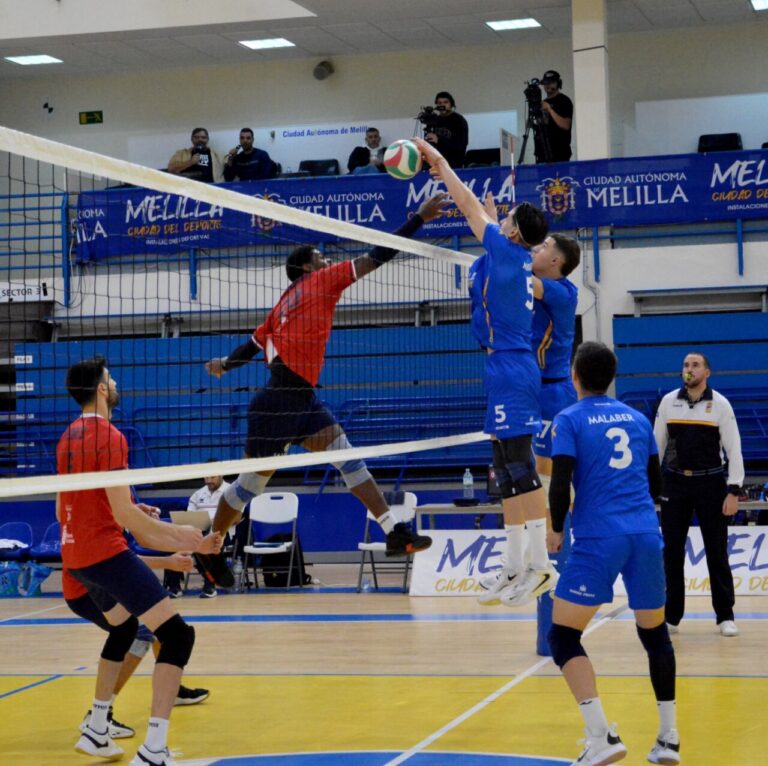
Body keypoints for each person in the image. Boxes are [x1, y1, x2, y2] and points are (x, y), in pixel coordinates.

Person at [195, 194, 451, 589]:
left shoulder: (281, 304)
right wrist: (418, 218)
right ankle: (209, 548)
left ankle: (392, 531)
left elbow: (252, 345)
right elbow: (379, 254)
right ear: (306, 267)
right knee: (249, 486)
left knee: (347, 458)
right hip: (278, 402)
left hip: (303, 400)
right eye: (320, 256)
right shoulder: (322, 281)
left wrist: (224, 365)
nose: (327, 260)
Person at [58, 357, 222, 766]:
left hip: (75, 557)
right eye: (110, 378)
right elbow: (131, 523)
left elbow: (66, 507)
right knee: (178, 636)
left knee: (127, 628)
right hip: (104, 553)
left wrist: (126, 512)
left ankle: (96, 728)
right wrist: (189, 540)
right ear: (101, 389)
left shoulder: (66, 437)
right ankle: (153, 751)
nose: (115, 383)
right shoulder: (110, 435)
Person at [414, 137, 556, 608]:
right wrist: (497, 219)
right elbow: (486, 222)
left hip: (512, 367)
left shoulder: (506, 251)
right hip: (501, 365)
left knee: (520, 466)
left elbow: (466, 203)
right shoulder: (508, 254)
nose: (501, 219)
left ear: (512, 232)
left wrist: (440, 162)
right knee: (504, 470)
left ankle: (541, 565)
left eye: (507, 218)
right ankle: (514, 565)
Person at [547, 341, 680, 766]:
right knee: (655, 636)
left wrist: (554, 528)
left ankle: (600, 735)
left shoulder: (569, 419)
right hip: (645, 533)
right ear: (611, 377)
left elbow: (559, 482)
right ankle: (668, 739)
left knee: (562, 636)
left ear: (574, 376)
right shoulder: (639, 418)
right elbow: (656, 484)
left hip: (599, 538)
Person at [478, 232, 580, 600]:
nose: (536, 249)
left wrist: (502, 239)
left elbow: (518, 274)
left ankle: (546, 554)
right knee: (509, 470)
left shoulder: (562, 291)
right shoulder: (529, 285)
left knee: (543, 475)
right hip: (520, 385)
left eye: (543, 246)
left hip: (552, 393)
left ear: (556, 261)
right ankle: (515, 565)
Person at [66, 556, 209, 742]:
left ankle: (172, 691)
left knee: (159, 623)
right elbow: (122, 559)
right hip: (89, 592)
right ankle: (98, 716)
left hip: (103, 583)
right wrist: (168, 562)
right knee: (141, 634)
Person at [654, 352, 743, 638]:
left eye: (695, 365)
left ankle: (725, 615)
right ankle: (671, 616)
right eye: (685, 365)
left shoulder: (721, 404)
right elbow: (656, 447)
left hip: (711, 484)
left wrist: (734, 490)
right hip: (674, 484)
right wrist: (652, 486)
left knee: (717, 552)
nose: (689, 369)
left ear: (707, 372)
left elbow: (734, 449)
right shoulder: (669, 402)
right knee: (672, 553)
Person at [163, 469, 230, 598]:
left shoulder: (230, 492)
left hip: (222, 534)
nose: (209, 481)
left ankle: (210, 586)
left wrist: (216, 521)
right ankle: (174, 587)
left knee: (204, 543)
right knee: (172, 543)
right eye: (206, 478)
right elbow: (190, 517)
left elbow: (236, 518)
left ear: (221, 475)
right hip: (198, 532)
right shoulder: (197, 495)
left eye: (212, 477)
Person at [423, 91, 468, 168]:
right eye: (439, 103)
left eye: (445, 102)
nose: (442, 105)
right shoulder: (434, 120)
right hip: (436, 164)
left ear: (451, 104)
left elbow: (461, 145)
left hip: (453, 164)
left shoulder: (459, 120)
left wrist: (439, 140)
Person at [538, 70, 573, 163]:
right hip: (543, 154)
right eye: (546, 83)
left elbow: (565, 125)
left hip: (560, 153)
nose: (548, 85)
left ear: (558, 83)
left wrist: (550, 109)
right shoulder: (542, 103)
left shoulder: (564, 101)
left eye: (551, 82)